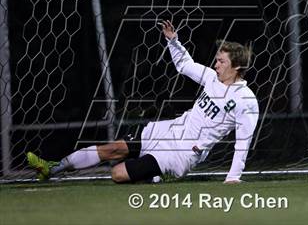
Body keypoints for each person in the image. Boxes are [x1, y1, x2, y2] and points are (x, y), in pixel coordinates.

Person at [27, 20, 259, 184]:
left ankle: (159, 175)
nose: (216, 64)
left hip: (181, 153)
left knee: (117, 174)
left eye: (221, 61)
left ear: (236, 66)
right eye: (216, 60)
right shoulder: (211, 77)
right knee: (113, 149)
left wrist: (233, 177)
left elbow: (243, 141)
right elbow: (184, 65)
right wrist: (173, 41)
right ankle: (51, 167)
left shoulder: (245, 100)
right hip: (168, 130)